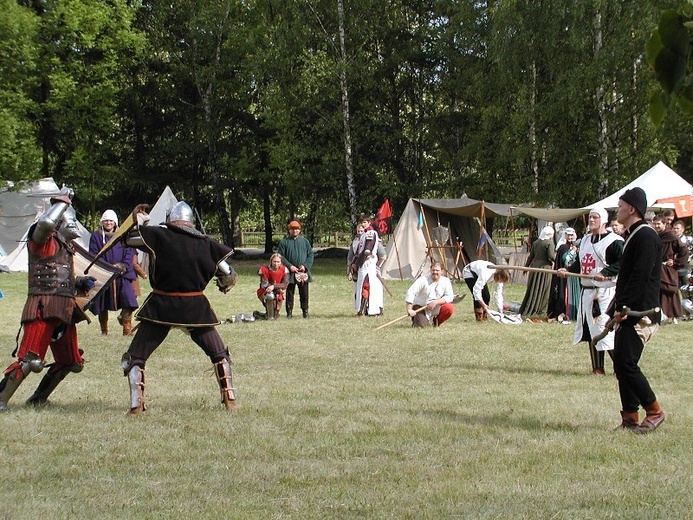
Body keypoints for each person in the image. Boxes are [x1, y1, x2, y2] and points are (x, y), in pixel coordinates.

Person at [120, 201, 238, 414]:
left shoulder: (158, 236)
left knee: (136, 356)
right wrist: (221, 285)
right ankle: (230, 398)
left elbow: (126, 239)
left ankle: (136, 404)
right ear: (191, 221)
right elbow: (229, 276)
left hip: (162, 308)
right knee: (219, 354)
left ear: (169, 219)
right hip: (195, 309)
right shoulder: (206, 244)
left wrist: (140, 221)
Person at [0, 187, 95, 411]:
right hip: (43, 306)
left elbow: (60, 276)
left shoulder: (66, 247)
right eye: (69, 219)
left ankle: (38, 398)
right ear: (59, 220)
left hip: (64, 308)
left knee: (71, 362)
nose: (74, 225)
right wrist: (63, 200)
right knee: (30, 360)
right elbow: (45, 224)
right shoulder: (41, 239)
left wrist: (80, 282)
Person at [611, 187, 665, 433]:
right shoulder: (634, 234)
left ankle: (654, 411)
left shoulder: (645, 235)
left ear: (631, 209)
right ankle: (630, 417)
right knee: (621, 363)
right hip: (629, 310)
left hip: (640, 312)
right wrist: (614, 309)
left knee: (627, 363)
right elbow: (626, 277)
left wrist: (623, 308)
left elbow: (640, 278)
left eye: (620, 205)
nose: (617, 210)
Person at [559, 208, 623, 375]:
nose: (591, 220)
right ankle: (597, 368)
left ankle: (621, 368)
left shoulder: (615, 241)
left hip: (605, 292)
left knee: (604, 328)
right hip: (587, 292)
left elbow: (623, 263)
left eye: (595, 217)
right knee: (590, 328)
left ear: (603, 220)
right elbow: (581, 263)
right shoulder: (586, 240)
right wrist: (568, 270)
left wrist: (605, 273)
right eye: (590, 217)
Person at [89, 209, 139, 335]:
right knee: (102, 302)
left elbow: (129, 251)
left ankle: (126, 329)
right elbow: (93, 254)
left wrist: (121, 266)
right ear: (102, 222)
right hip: (104, 274)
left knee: (129, 299)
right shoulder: (96, 236)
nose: (108, 223)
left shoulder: (123, 234)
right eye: (106, 220)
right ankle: (104, 330)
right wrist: (104, 268)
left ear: (115, 222)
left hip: (121, 274)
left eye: (111, 220)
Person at [652, 214, 687, 324]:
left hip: (667, 269)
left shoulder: (672, 236)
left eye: (659, 224)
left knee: (669, 291)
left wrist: (676, 262)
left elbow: (684, 250)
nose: (656, 226)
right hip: (656, 268)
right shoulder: (655, 235)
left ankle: (673, 316)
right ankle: (659, 315)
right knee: (656, 292)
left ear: (665, 224)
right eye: (655, 223)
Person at [350, 214, 386, 316]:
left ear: (369, 223)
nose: (363, 225)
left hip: (368, 264)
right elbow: (359, 251)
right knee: (361, 286)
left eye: (365, 222)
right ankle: (361, 310)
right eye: (361, 223)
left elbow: (367, 250)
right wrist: (354, 263)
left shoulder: (371, 233)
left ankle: (366, 310)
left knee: (366, 285)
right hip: (362, 264)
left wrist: (357, 263)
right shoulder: (363, 235)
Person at [277, 220, 314, 318]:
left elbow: (310, 255)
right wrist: (290, 266)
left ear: (299, 230)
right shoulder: (284, 242)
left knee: (304, 293)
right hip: (289, 272)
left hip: (303, 272)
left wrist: (305, 266)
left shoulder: (305, 242)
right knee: (289, 293)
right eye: (293, 229)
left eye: (297, 229)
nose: (295, 231)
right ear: (289, 230)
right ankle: (289, 312)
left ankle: (305, 311)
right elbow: (280, 257)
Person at [519, 226, 556, 321]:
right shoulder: (549, 243)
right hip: (544, 268)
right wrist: (558, 261)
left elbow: (530, 257)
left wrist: (526, 268)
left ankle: (528, 308)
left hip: (534, 267)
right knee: (543, 289)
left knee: (533, 288)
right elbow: (551, 256)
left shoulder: (536, 243)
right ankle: (540, 310)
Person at [404, 262, 455, 327]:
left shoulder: (446, 281)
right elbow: (411, 292)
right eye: (433, 270)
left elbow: (449, 296)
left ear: (442, 271)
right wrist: (409, 309)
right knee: (422, 327)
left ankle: (435, 323)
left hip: (436, 307)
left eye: (437, 270)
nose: (435, 272)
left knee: (449, 308)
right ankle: (417, 318)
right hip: (421, 307)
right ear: (430, 270)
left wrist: (435, 302)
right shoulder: (423, 280)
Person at [547, 227, 579, 322]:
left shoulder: (577, 247)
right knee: (565, 293)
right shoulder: (563, 247)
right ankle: (564, 312)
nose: (570, 237)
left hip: (574, 276)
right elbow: (566, 261)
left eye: (572, 235)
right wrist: (573, 251)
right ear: (565, 235)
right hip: (566, 276)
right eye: (568, 235)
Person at [254, 253, 289, 320]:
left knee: (275, 315)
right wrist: (273, 287)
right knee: (270, 295)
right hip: (265, 291)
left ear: (281, 262)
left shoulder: (284, 269)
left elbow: (285, 284)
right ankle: (269, 316)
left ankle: (261, 315)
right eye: (274, 261)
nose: (276, 264)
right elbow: (264, 284)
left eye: (278, 262)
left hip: (278, 291)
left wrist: (274, 286)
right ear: (271, 261)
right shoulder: (264, 269)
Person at [671, 219, 692, 289]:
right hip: (674, 267)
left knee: (686, 289)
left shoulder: (689, 240)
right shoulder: (670, 240)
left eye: (677, 228)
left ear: (682, 229)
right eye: (674, 228)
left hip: (686, 267)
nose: (675, 230)